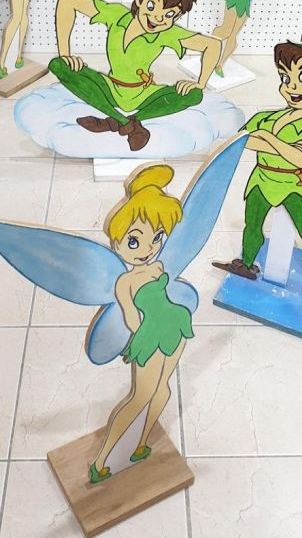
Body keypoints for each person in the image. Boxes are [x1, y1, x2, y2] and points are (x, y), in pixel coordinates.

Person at [213, 32, 302, 310]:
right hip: (261, 180)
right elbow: (244, 141)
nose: (292, 86)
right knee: (252, 226)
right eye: (286, 78)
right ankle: (246, 264)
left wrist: (268, 138)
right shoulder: (265, 117)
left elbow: (300, 158)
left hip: (293, 186)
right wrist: (281, 146)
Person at [48, 0, 221, 151]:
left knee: (194, 95)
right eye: (152, 5)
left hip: (144, 94)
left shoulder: (167, 33)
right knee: (59, 65)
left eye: (170, 14)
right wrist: (66, 54)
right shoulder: (116, 15)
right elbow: (67, 1)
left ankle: (117, 121)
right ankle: (127, 124)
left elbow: (213, 45)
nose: (158, 17)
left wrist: (200, 82)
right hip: (109, 87)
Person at [89, 165, 193, 482]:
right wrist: (138, 341)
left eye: (157, 238)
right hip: (151, 337)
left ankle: (142, 443)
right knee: (139, 396)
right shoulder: (125, 282)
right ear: (117, 242)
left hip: (175, 325)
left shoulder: (157, 265)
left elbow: (161, 296)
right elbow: (132, 319)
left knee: (161, 388)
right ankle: (100, 460)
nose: (148, 249)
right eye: (134, 241)